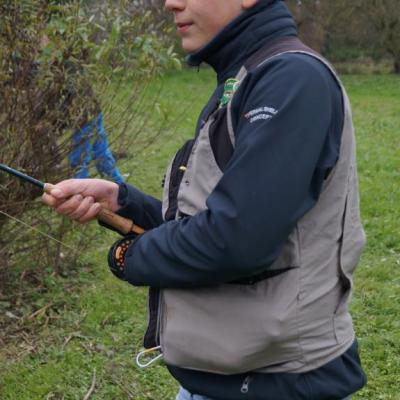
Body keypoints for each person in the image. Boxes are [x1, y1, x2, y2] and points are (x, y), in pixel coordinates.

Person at [42, 0, 367, 399]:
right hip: (226, 378)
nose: (170, 2)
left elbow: (236, 239)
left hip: (281, 382)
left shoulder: (290, 79)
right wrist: (123, 202)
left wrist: (132, 256)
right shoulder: (248, 75)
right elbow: (217, 214)